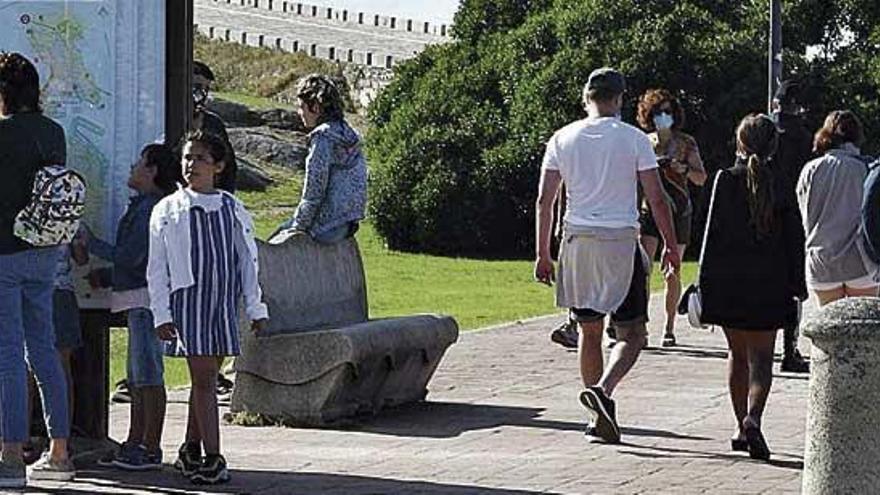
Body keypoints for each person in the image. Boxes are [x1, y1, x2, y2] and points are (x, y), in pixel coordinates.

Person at [534, 67, 680, 444]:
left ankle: (595, 417)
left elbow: (544, 201)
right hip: (620, 240)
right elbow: (657, 199)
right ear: (619, 99)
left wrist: (542, 254)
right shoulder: (634, 140)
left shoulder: (562, 138)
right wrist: (669, 244)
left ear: (586, 98)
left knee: (589, 330)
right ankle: (604, 389)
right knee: (632, 333)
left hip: (577, 239)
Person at [147, 130, 268, 485]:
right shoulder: (168, 209)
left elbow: (247, 259)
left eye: (200, 158)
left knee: (207, 380)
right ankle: (214, 457)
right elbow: (157, 268)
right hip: (189, 306)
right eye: (187, 157)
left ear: (218, 165)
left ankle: (189, 449)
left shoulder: (232, 207)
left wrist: (255, 307)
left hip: (221, 304)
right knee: (204, 381)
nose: (191, 164)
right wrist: (161, 313)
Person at [700, 114, 806, 462]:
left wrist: (705, 284)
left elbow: (710, 238)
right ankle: (754, 418)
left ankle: (737, 425)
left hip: (731, 282)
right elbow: (795, 238)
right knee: (763, 359)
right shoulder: (781, 182)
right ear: (774, 145)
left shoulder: (725, 180)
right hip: (770, 282)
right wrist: (798, 286)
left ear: (740, 144)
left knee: (736, 356)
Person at [81, 143, 181, 471]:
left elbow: (131, 256)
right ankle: (135, 441)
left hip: (146, 302)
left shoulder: (150, 208)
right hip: (138, 299)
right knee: (138, 376)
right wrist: (107, 276)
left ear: (152, 171)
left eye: (139, 162)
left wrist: (90, 242)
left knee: (148, 375)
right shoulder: (146, 206)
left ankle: (149, 446)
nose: (132, 168)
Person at [0, 51, 75, 488]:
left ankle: (10, 454)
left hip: (4, 252)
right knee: (43, 349)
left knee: (8, 354)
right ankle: (60, 451)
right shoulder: (54, 132)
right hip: (45, 253)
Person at [636, 89, 707, 347]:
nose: (662, 117)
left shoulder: (686, 143)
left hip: (679, 210)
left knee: (671, 271)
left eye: (667, 111)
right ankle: (639, 325)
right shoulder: (643, 142)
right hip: (648, 210)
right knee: (643, 270)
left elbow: (701, 177)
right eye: (657, 112)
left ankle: (668, 327)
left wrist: (683, 168)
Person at [796, 110, 879, 305]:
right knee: (863, 330)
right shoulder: (866, 169)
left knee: (828, 330)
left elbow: (804, 214)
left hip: (821, 262)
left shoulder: (810, 170)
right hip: (860, 262)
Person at [273, 74, 367, 244]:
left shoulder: (323, 138)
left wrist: (298, 225)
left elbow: (314, 190)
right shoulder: (347, 133)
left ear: (315, 107)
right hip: (347, 222)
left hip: (325, 225)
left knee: (276, 239)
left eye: (302, 107)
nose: (299, 112)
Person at [770, 80, 812, 373]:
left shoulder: (766, 131)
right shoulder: (803, 137)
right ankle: (790, 348)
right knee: (793, 285)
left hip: (764, 212)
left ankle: (762, 342)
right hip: (794, 214)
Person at [192, 60, 238, 194]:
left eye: (206, 89)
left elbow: (229, 167)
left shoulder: (213, 123)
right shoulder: (163, 119)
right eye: (197, 86)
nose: (201, 94)